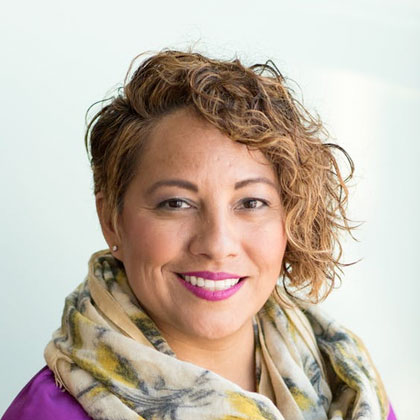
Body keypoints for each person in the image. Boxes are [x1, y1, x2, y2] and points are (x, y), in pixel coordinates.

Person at [2, 50, 397, 420]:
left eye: (251, 202)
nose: (217, 245)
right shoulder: (49, 412)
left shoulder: (344, 376)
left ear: (290, 218)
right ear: (111, 220)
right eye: (176, 203)